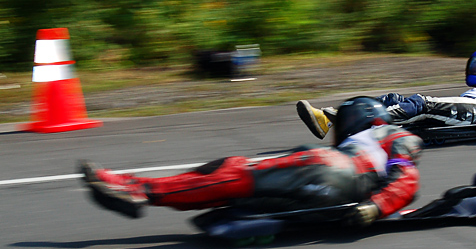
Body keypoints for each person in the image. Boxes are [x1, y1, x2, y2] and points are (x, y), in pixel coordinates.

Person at [79, 97, 423, 228]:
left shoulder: (393, 134)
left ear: (359, 117)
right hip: (336, 189)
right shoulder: (376, 141)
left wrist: (377, 207)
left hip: (339, 172)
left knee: (236, 173)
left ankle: (137, 189)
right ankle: (139, 190)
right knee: (230, 177)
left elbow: (406, 179)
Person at [297, 49, 476, 139]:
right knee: (394, 99)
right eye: (474, 65)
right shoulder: (474, 91)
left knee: (422, 103)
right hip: (470, 108)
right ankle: (330, 118)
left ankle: (351, 122)